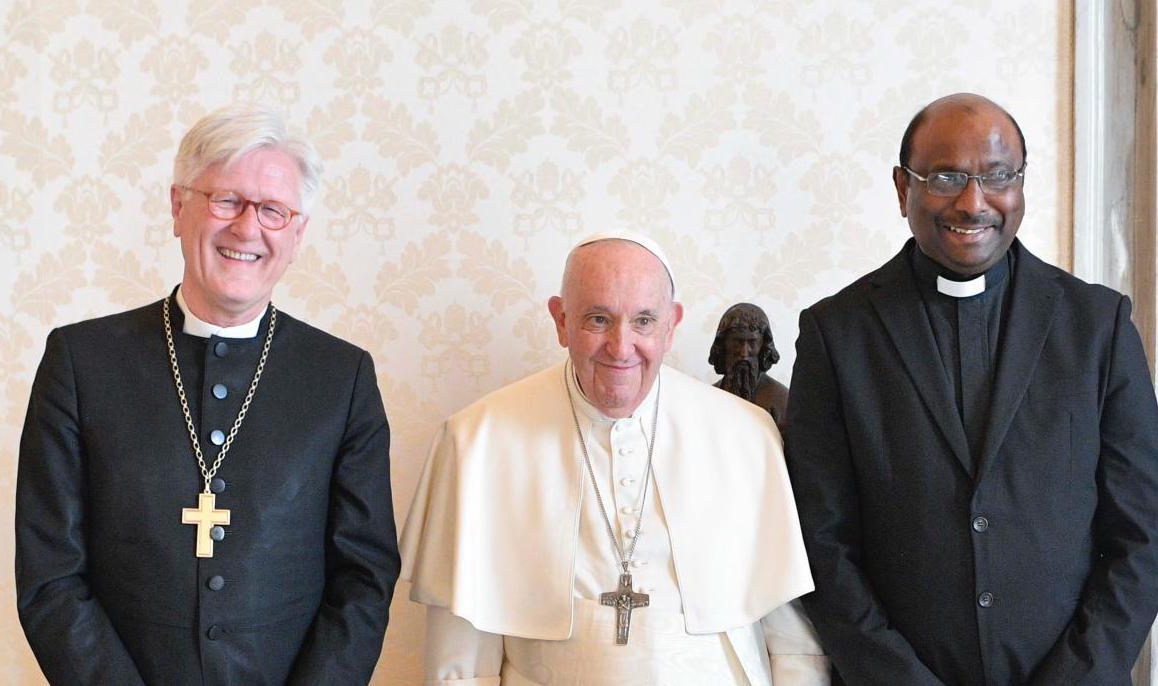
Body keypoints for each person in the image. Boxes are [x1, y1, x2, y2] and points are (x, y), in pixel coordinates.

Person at [15, 105, 400, 685]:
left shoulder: (341, 378)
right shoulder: (81, 362)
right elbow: (50, 573)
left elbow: (364, 576)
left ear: (297, 235)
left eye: (273, 210)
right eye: (226, 200)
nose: (248, 228)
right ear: (178, 207)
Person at [786, 92, 1158, 685]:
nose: (973, 201)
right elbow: (819, 542)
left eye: (997, 176)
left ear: (1021, 185)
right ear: (901, 187)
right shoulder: (838, 334)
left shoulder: (1098, 327)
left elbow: (1143, 535)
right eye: (945, 177)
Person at [400, 232, 828, 685]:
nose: (621, 348)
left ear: (671, 325)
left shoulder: (746, 435)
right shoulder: (475, 443)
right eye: (598, 319)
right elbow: (460, 665)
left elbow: (794, 642)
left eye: (644, 320)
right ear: (561, 320)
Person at [710, 302, 790, 429]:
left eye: (752, 343)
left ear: (763, 346)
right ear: (724, 344)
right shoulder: (708, 397)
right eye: (737, 342)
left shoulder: (781, 401)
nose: (744, 353)